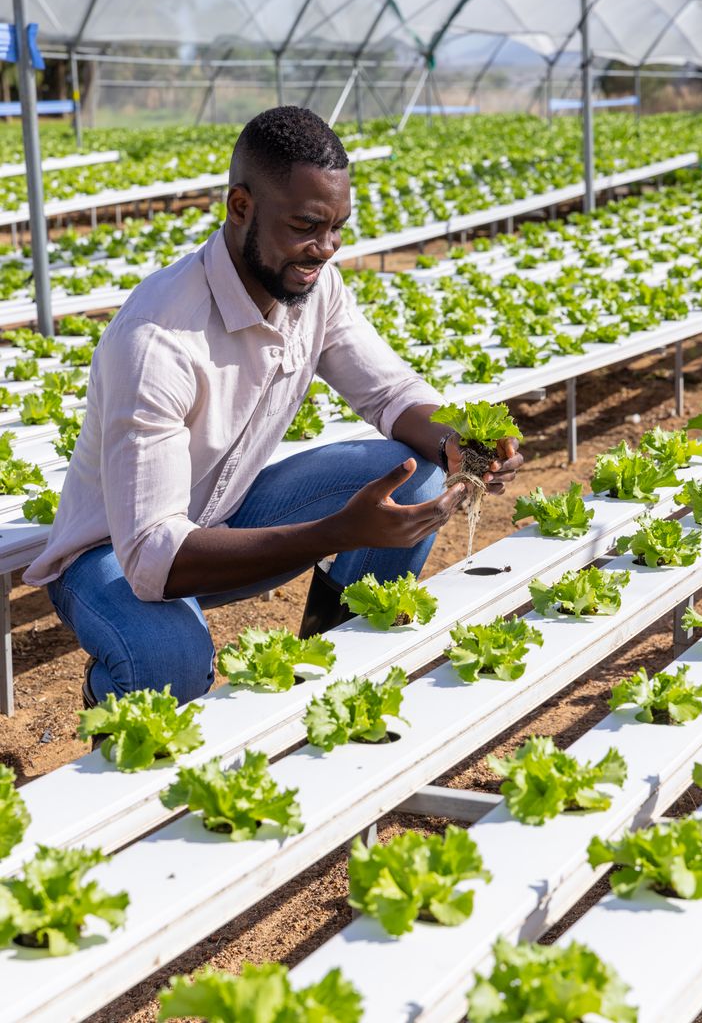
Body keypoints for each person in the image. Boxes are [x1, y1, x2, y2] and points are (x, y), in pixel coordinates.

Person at [24, 106, 522, 710]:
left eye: (338, 227)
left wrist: (460, 438)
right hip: (114, 557)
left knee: (415, 474)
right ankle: (116, 718)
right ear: (241, 207)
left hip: (223, 518)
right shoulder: (158, 339)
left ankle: (333, 682)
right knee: (169, 661)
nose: (327, 249)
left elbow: (390, 393)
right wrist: (337, 531)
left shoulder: (310, 287)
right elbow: (154, 557)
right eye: (308, 225)